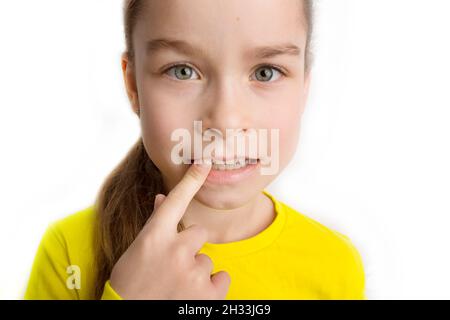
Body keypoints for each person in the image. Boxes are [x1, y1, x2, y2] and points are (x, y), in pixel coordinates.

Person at [24, 0, 366, 300]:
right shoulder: (69, 253)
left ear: (305, 87)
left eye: (266, 72)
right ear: (133, 87)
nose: (226, 121)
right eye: (182, 71)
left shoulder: (335, 265)